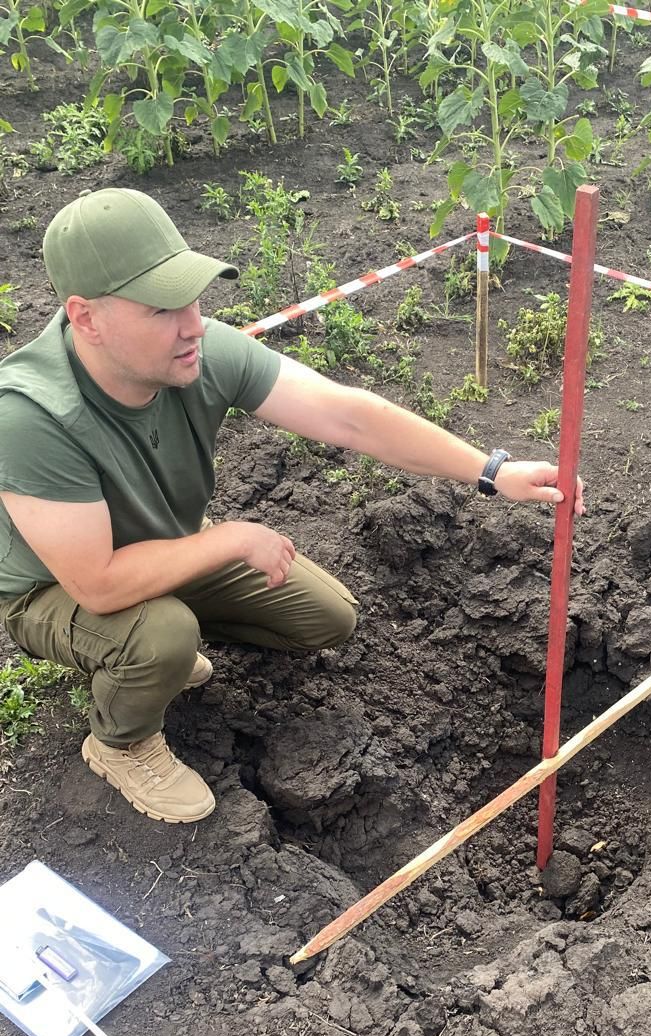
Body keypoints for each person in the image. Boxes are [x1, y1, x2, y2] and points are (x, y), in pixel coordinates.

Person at [0, 188, 583, 825]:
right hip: (55, 588)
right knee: (161, 636)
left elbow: (346, 415)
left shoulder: (199, 351)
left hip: (158, 545)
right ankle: (121, 740)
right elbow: (99, 583)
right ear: (85, 317)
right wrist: (227, 540)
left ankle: (158, 638)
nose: (192, 323)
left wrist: (492, 470)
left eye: (193, 297)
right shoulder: (31, 417)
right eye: (162, 308)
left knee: (324, 617)